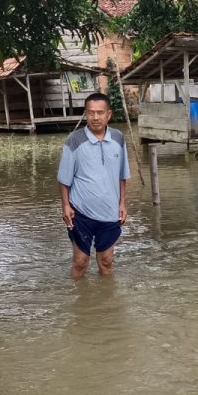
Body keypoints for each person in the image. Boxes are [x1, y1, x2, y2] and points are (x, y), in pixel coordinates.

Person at [57, 92, 130, 279]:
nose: (95, 117)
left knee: (106, 261)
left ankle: (106, 303)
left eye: (100, 112)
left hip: (110, 212)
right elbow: (64, 179)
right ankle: (79, 304)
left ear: (109, 114)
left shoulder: (118, 138)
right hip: (81, 213)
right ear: (86, 114)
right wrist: (65, 205)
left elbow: (122, 175)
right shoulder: (74, 140)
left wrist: (122, 203)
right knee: (80, 263)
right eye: (91, 113)